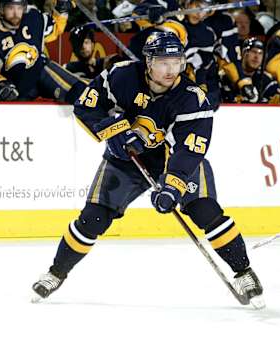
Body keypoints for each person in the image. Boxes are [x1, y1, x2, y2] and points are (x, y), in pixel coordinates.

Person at [31, 31, 265, 309]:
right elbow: (86, 105)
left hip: (175, 159)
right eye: (164, 62)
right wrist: (114, 131)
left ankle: (244, 272)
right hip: (125, 160)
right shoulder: (121, 76)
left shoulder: (192, 99)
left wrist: (171, 186)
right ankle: (56, 272)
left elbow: (189, 150)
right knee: (93, 218)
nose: (171, 70)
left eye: (177, 62)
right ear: (149, 62)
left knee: (205, 210)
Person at [0, 0, 86, 103]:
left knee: (78, 92)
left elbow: (55, 28)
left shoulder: (32, 16)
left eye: (19, 8)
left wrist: (62, 10)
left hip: (41, 72)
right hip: (18, 87)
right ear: (2, 9)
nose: (16, 13)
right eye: (11, 8)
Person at [221, 37, 280, 105]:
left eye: (260, 53)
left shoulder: (265, 79)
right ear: (243, 53)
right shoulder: (227, 75)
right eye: (253, 52)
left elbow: (277, 99)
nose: (257, 57)